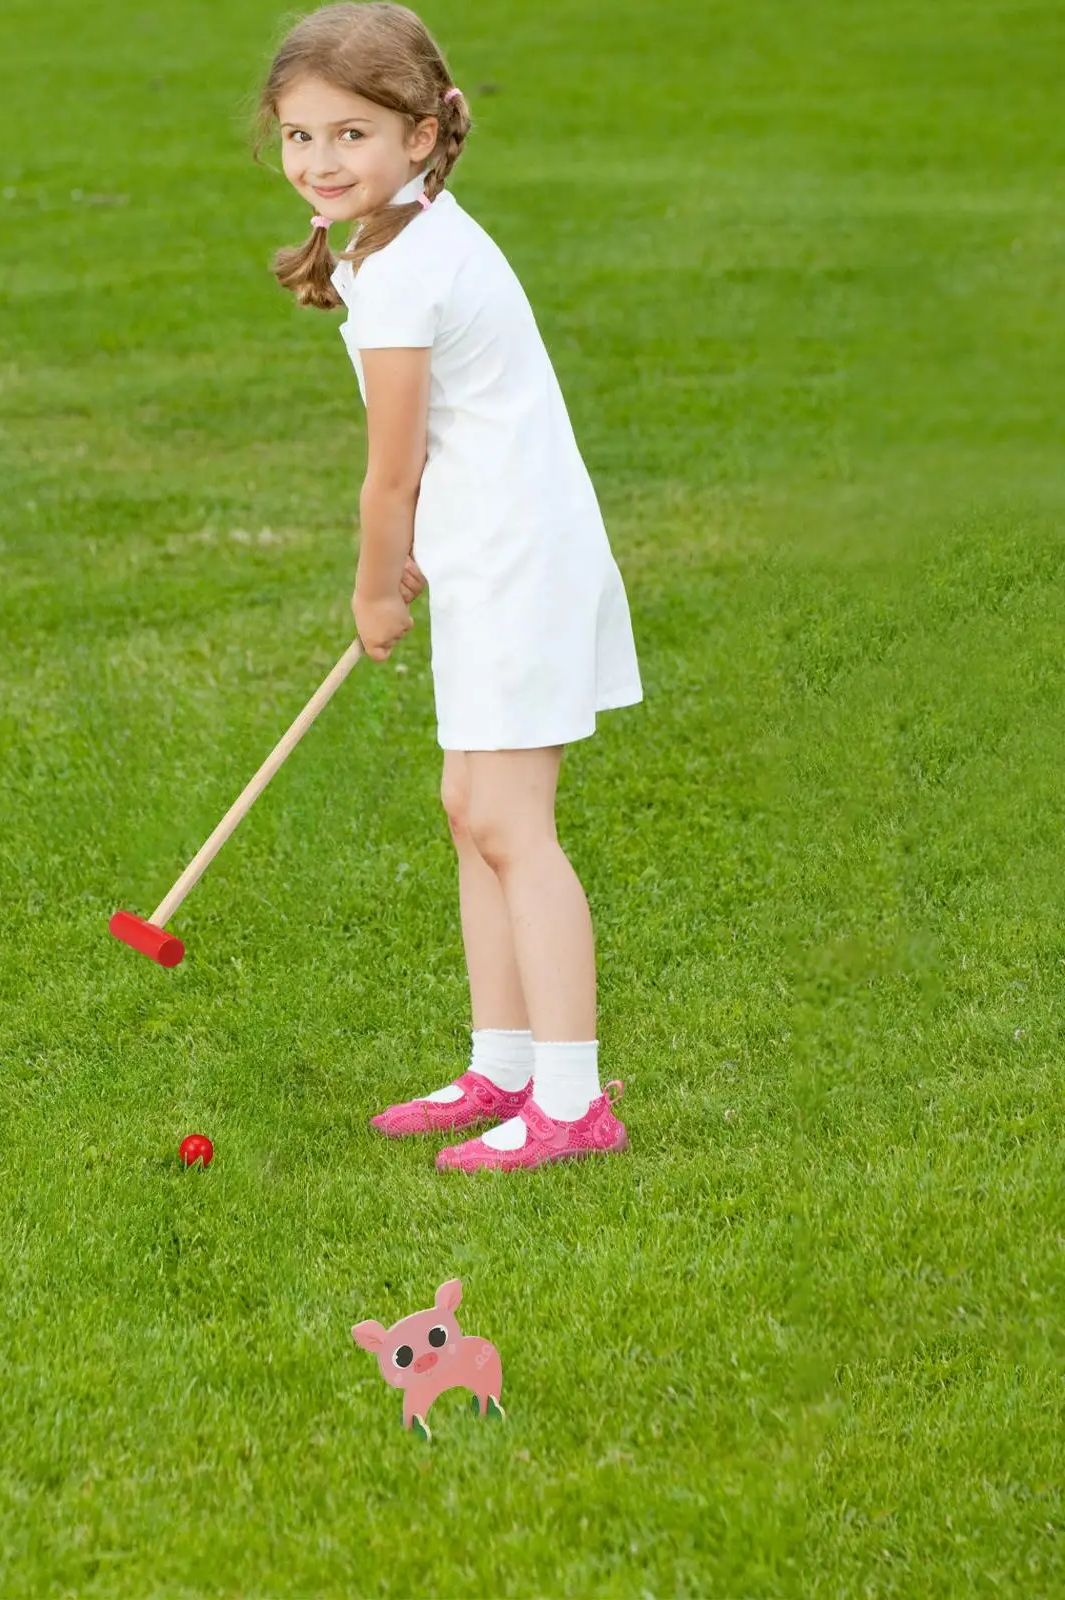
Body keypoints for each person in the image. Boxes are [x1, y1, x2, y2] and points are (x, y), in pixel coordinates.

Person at [253, 3, 644, 1171]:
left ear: (421, 136)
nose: (319, 162)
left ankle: (574, 1103)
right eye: (297, 136)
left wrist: (377, 585)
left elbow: (388, 472)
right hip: (492, 546)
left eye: (351, 134)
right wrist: (430, 534)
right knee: (469, 813)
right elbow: (445, 446)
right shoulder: (398, 240)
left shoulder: (410, 269)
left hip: (519, 562)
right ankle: (504, 1062)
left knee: (514, 826)